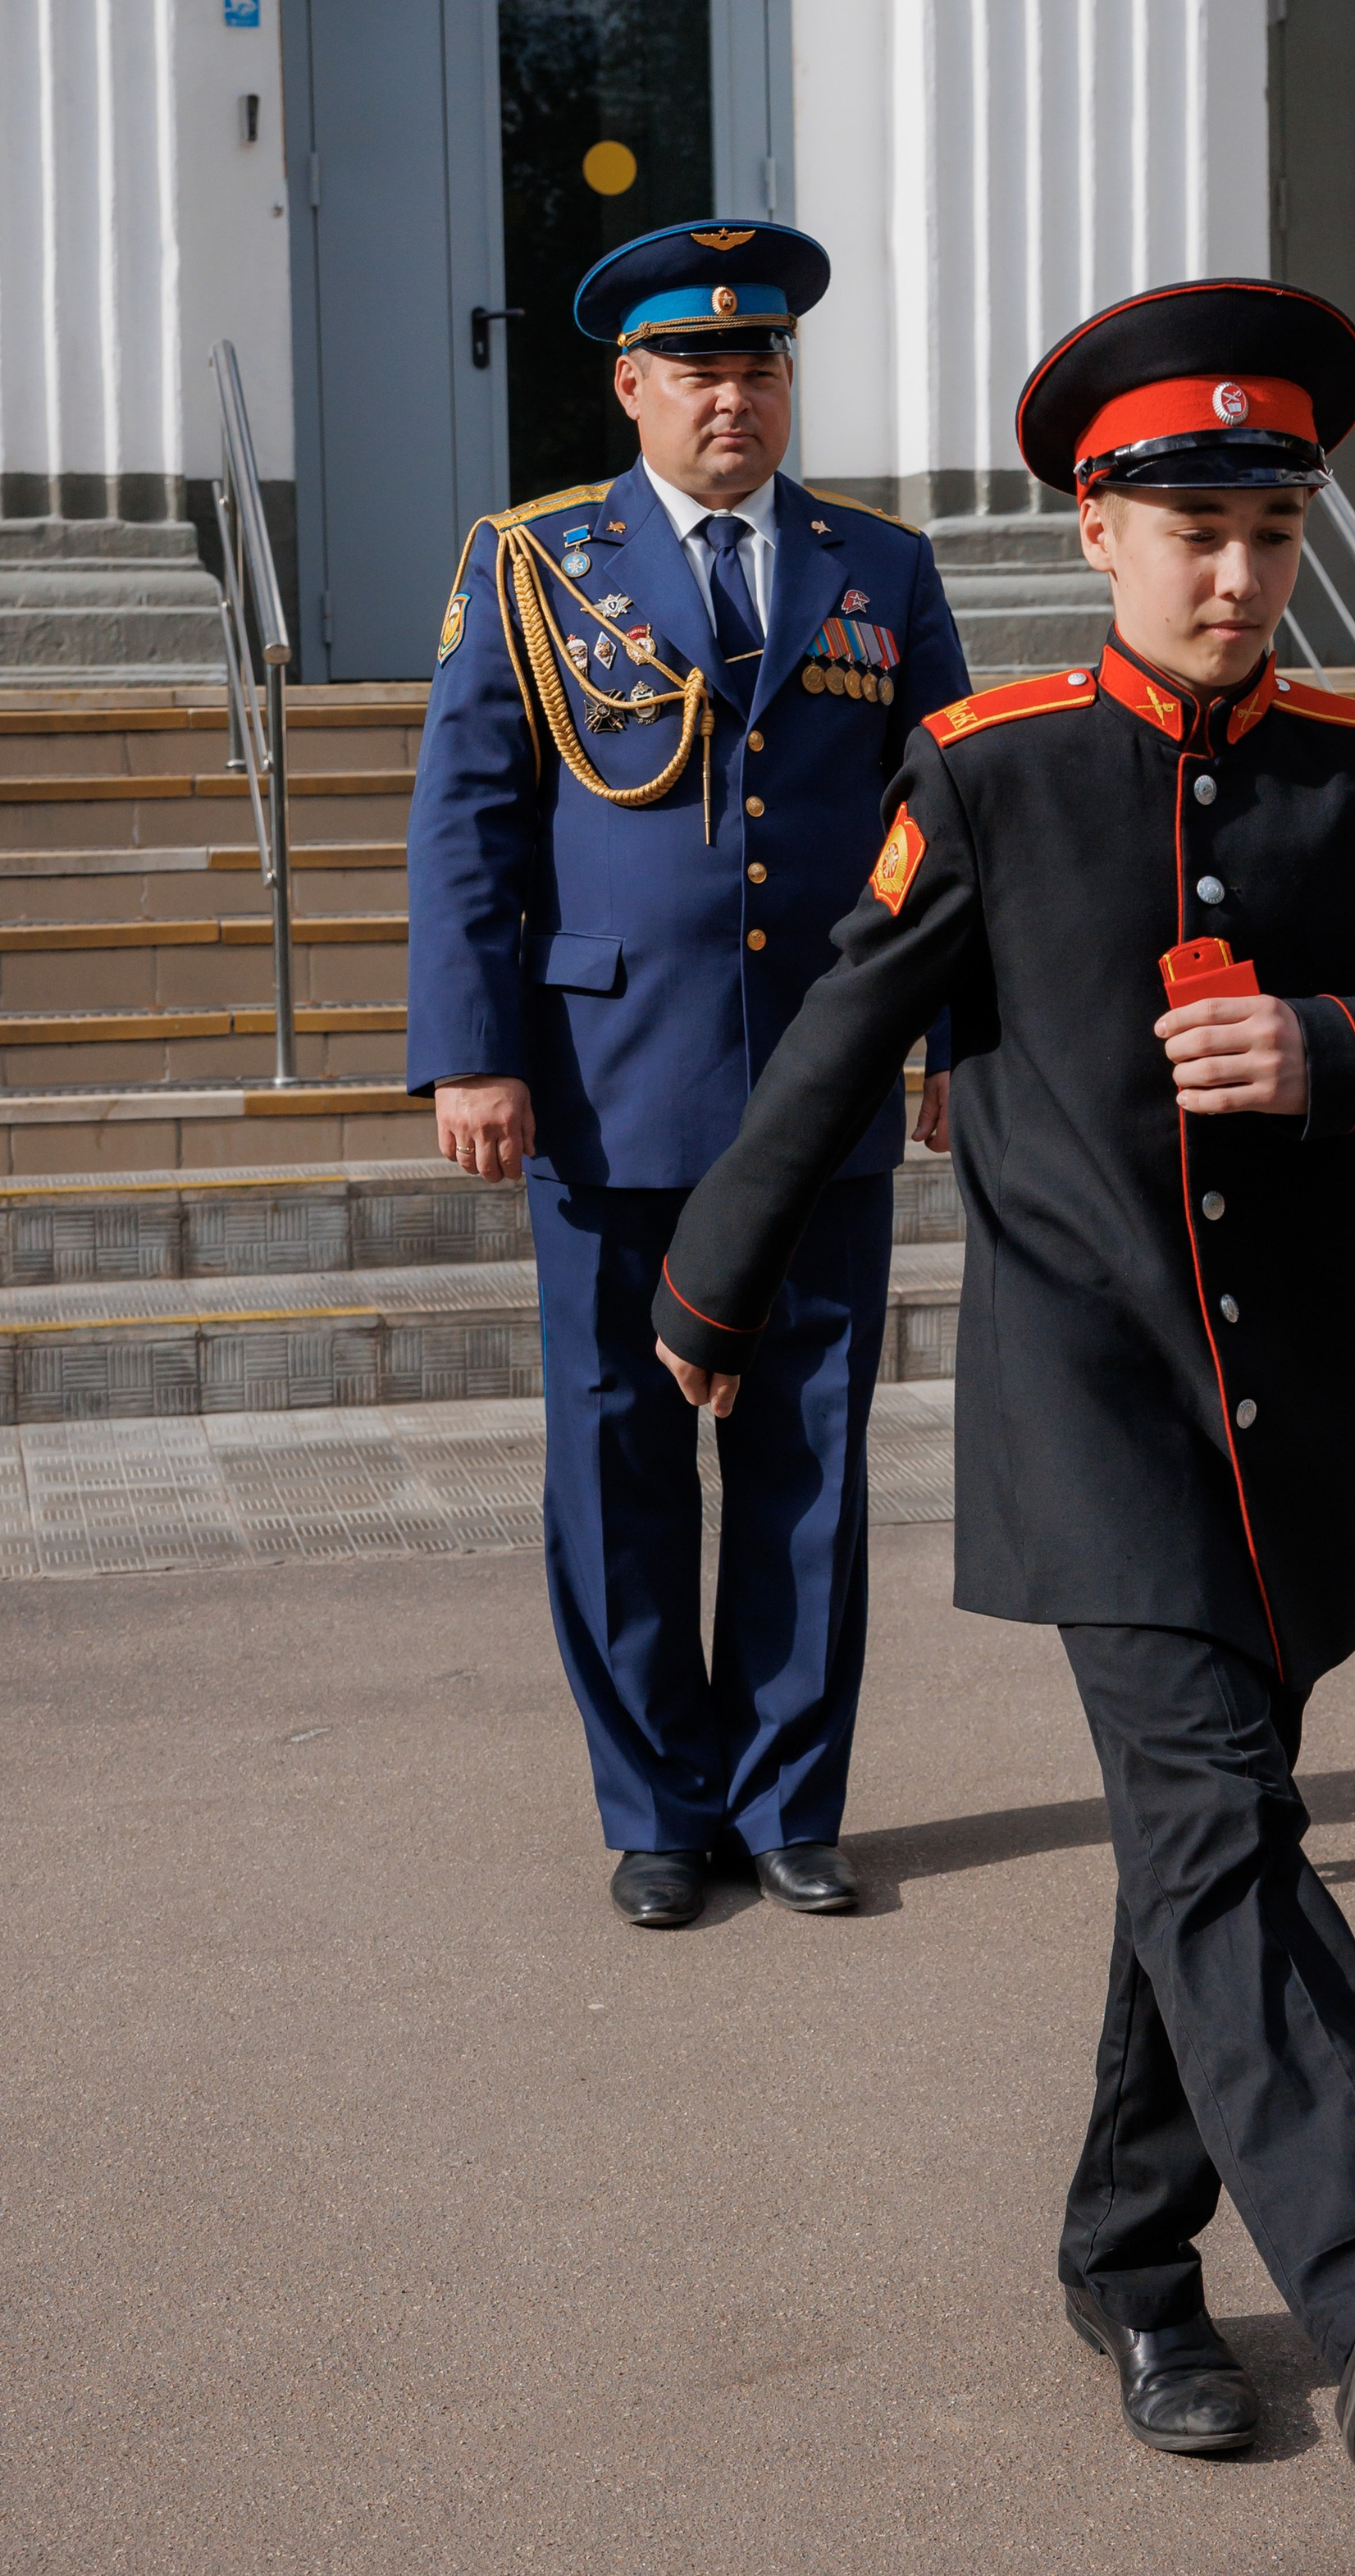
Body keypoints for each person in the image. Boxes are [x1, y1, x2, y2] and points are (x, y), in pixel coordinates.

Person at [650, 279, 1355, 2503]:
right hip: (1090, 1416)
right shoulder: (989, 776)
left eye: (1271, 530)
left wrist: (1342, 1041)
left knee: (1208, 1855)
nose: (1237, 574)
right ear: (1095, 538)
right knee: (1215, 1830)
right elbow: (839, 1035)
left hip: (1300, 1445)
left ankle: (1123, 2252)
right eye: (1188, 529)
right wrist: (706, 1281)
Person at [406, 218, 970, 1930]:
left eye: (762, 363)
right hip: (604, 1076)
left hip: (823, 1082)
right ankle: (656, 1809)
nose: (735, 394)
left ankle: (791, 1801)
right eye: (701, 368)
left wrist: (944, 1029)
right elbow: (468, 820)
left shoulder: (879, 563)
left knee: (808, 1459)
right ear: (631, 384)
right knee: (619, 1451)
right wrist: (471, 1052)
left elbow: (946, 820)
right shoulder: (533, 560)